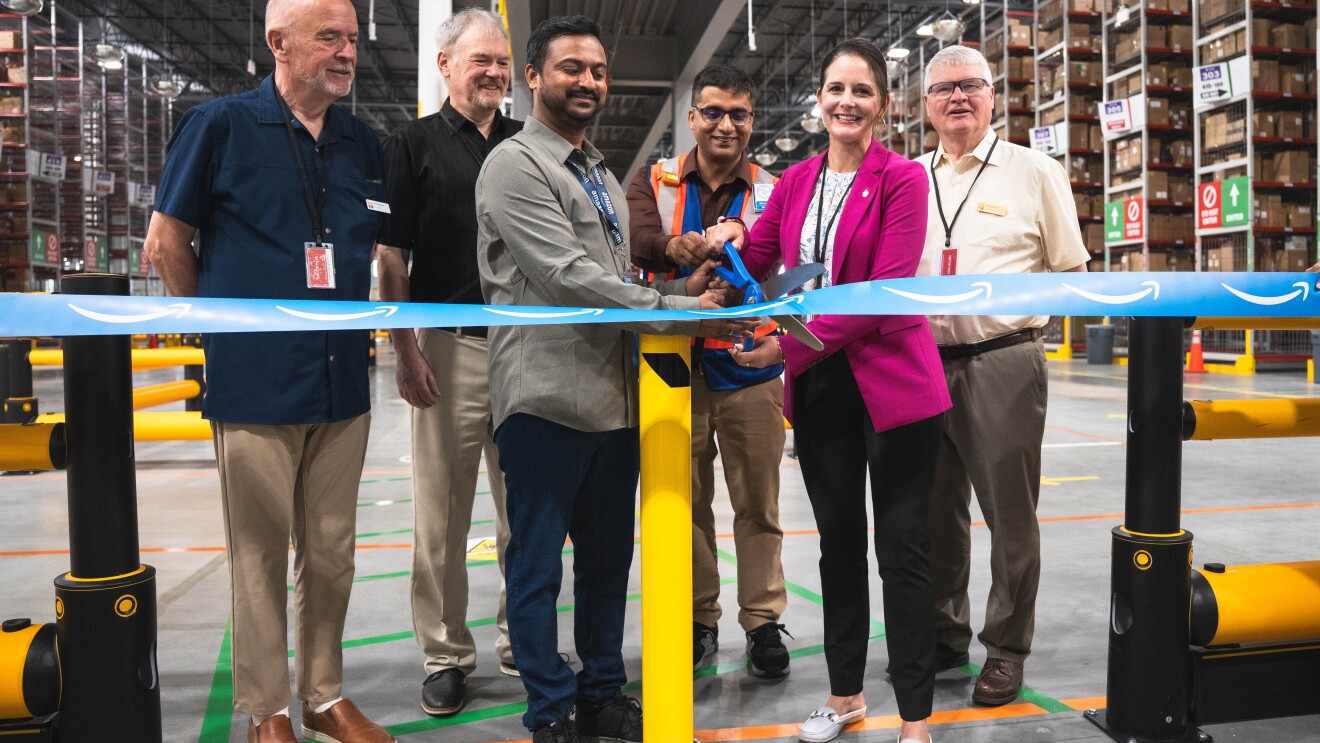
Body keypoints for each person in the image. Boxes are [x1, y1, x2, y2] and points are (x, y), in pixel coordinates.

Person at [475, 15, 747, 743]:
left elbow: (614, 276)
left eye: (597, 70)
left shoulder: (596, 167)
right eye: (571, 68)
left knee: (606, 563)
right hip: (543, 400)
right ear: (533, 78)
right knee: (535, 567)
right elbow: (567, 279)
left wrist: (678, 284)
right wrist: (677, 308)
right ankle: (551, 707)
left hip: (615, 400)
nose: (588, 81)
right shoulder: (514, 165)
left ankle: (600, 689)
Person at [142, 1, 394, 742]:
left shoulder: (361, 142)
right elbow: (166, 241)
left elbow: (372, 248)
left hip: (342, 380)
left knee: (333, 552)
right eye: (329, 39)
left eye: (351, 39)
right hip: (255, 379)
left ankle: (323, 695)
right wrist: (220, 328)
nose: (347, 52)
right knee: (257, 552)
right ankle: (268, 710)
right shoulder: (218, 126)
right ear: (278, 42)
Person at [726, 38, 950, 743]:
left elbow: (880, 294)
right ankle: (847, 695)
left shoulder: (904, 178)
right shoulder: (794, 183)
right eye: (835, 89)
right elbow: (759, 256)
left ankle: (915, 717)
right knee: (839, 547)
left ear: (882, 104)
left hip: (896, 390)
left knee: (904, 552)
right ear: (818, 101)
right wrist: (713, 250)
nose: (846, 101)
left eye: (861, 90)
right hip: (822, 390)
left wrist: (783, 343)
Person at [917, 44, 1089, 707]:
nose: (958, 98)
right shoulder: (912, 177)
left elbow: (1072, 273)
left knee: (1009, 517)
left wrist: (1036, 335)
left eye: (971, 86)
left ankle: (1006, 649)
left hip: (1003, 361)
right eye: (944, 89)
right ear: (925, 104)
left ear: (993, 96)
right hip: (924, 363)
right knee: (934, 516)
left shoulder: (1034, 170)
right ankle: (942, 634)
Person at [625, 63, 791, 678]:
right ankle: (700, 619)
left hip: (751, 366)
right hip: (674, 366)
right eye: (714, 112)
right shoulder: (653, 181)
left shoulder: (776, 189)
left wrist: (786, 350)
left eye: (739, 114)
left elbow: (798, 268)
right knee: (685, 504)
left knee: (759, 504)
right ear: (692, 118)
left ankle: (764, 622)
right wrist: (682, 254)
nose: (726, 124)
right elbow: (638, 242)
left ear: (751, 122)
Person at [377, 8, 521, 718]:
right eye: (479, 60)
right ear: (444, 66)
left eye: (501, 61)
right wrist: (403, 347)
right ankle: (445, 654)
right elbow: (389, 254)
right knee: (442, 514)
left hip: (527, 352)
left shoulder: (530, 144)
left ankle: (519, 638)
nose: (494, 71)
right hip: (447, 343)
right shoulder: (413, 144)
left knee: (524, 513)